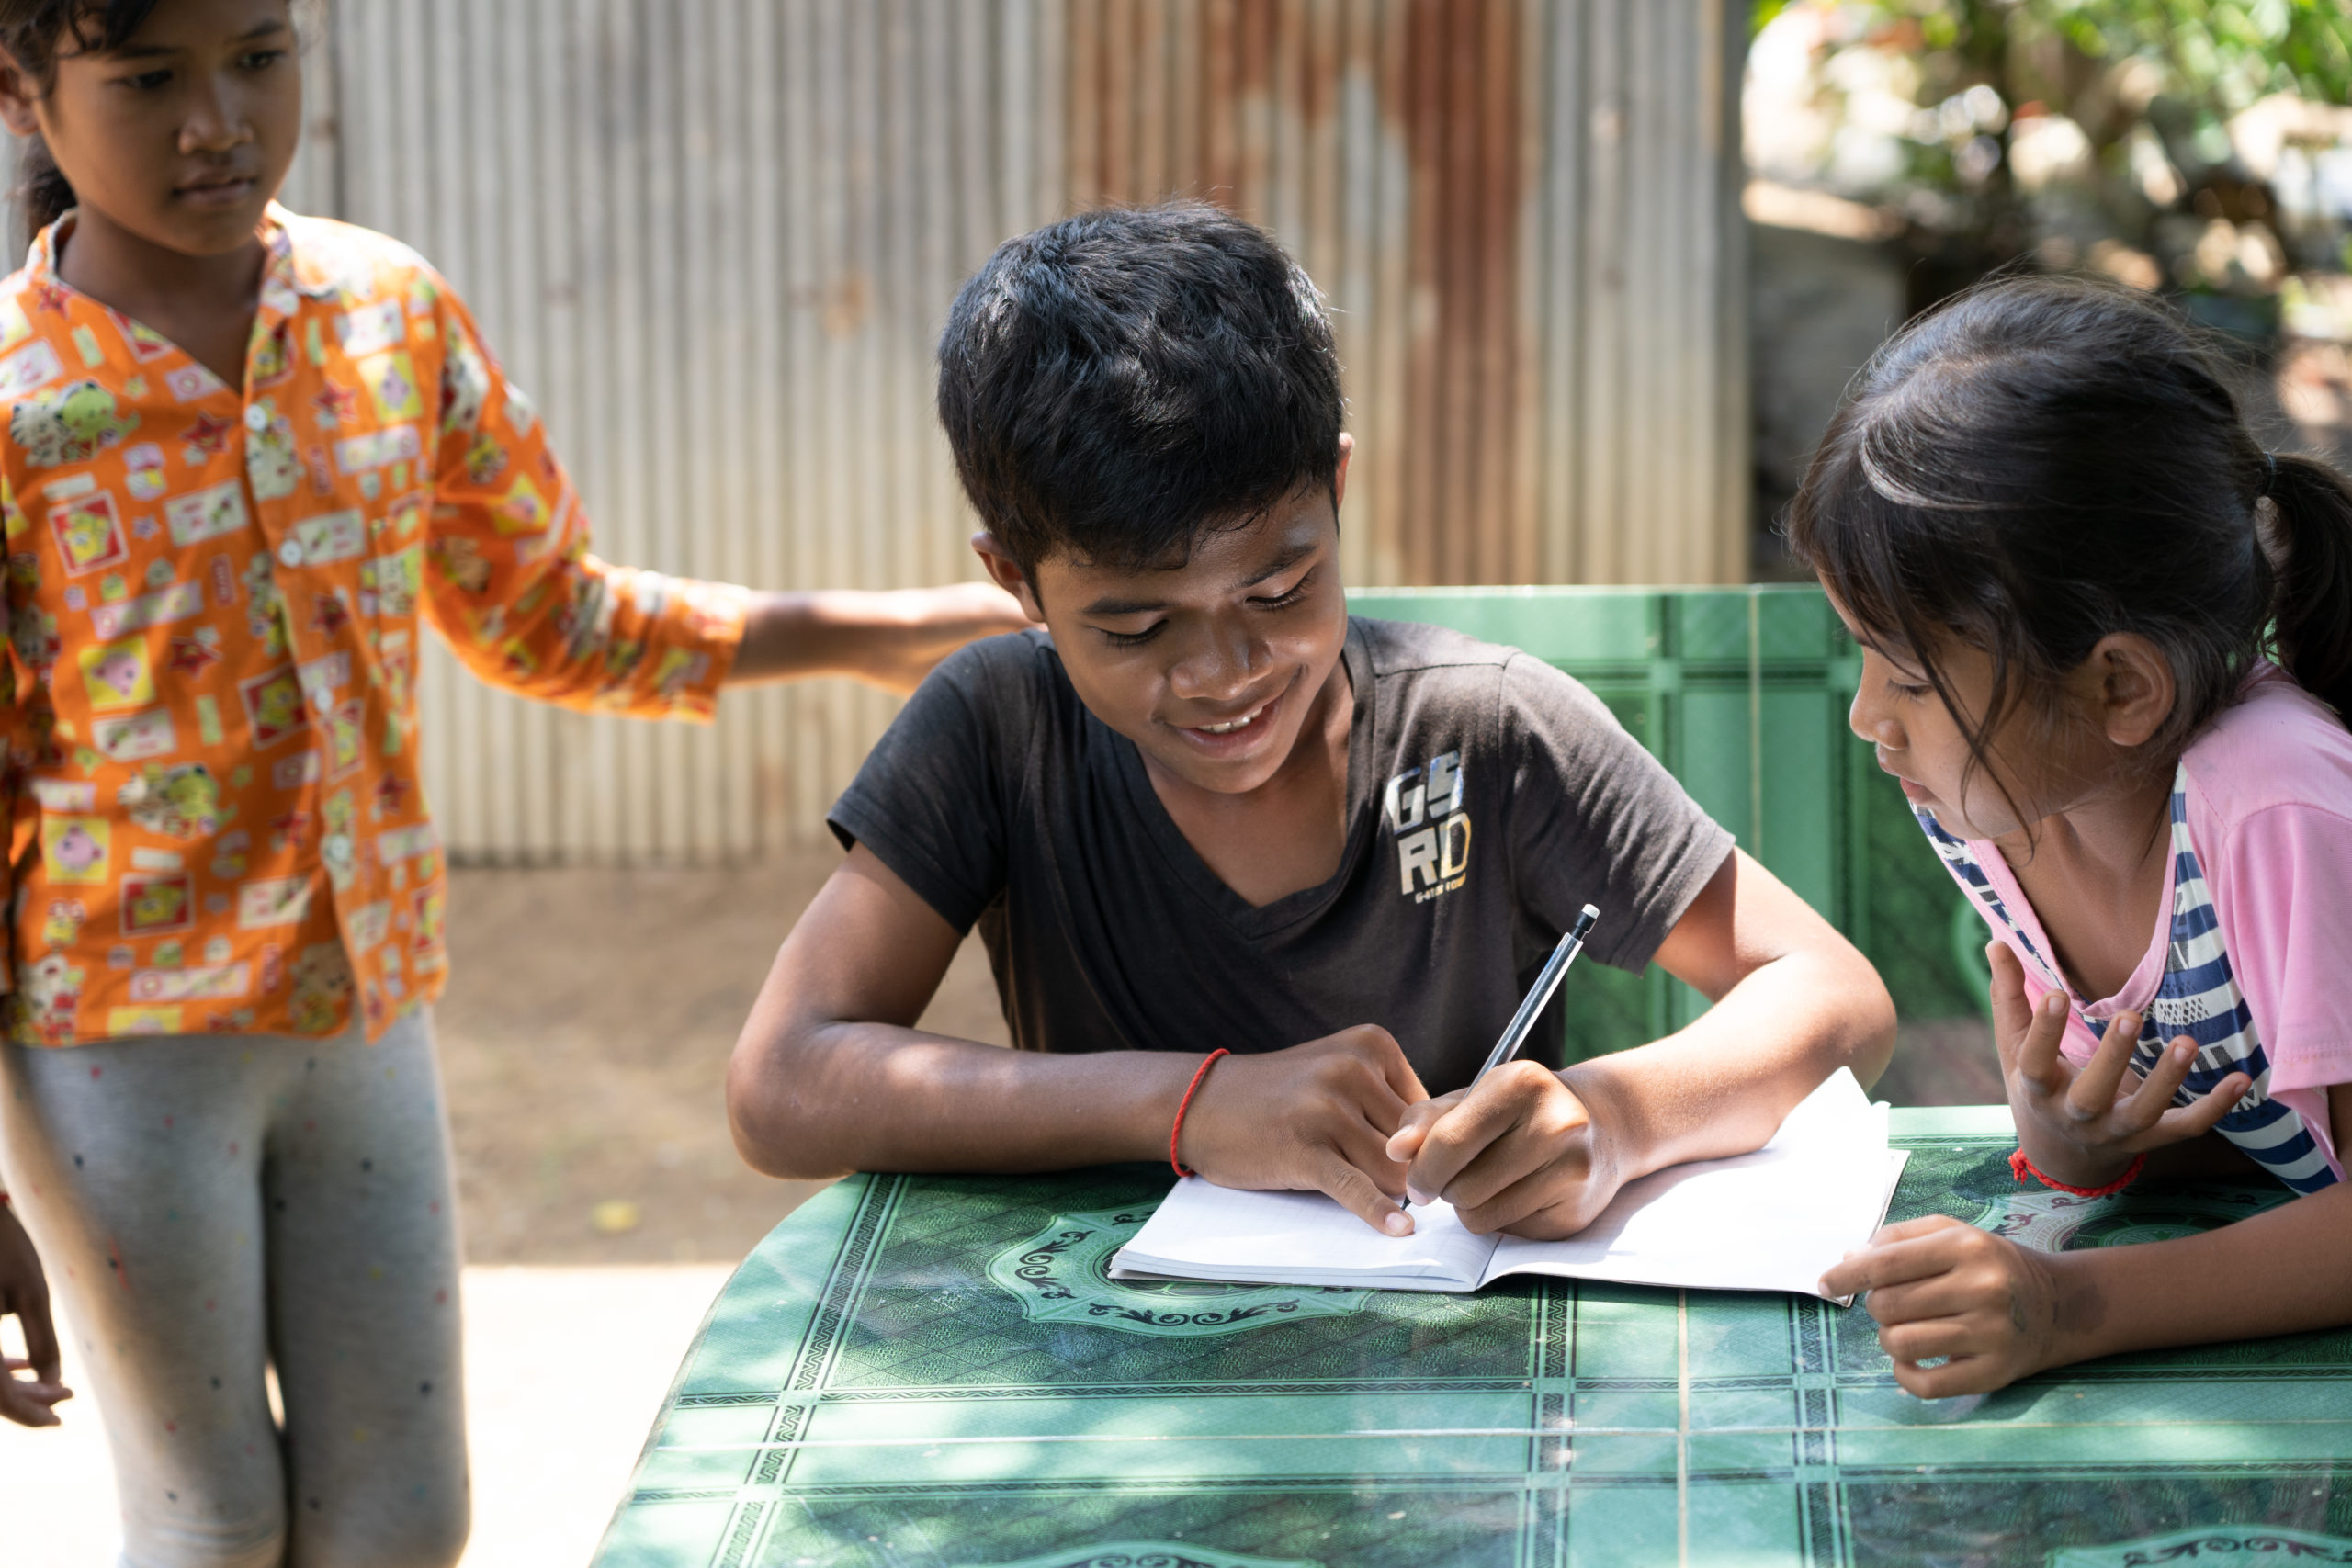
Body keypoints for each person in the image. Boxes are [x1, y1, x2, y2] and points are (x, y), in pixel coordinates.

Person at [0, 1, 1022, 1562]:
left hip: (368, 1014)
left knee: (407, 1517)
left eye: (260, 57)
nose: (217, 120)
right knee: (211, 1522)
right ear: (22, 88)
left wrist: (884, 635)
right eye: (147, 79)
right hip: (117, 1051)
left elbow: (554, 615)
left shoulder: (383, 314)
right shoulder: (13, 406)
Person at [725, 202, 1895, 1262]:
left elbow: (1834, 995)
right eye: (1133, 627)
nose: (1222, 675)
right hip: (1115, 1383)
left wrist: (1612, 1121)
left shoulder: (1482, 729)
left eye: (1278, 593)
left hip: (1451, 1380)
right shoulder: (996, 732)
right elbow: (781, 1084)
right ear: (1016, 580)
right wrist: (1191, 1105)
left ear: (1336, 492)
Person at [1804, 275, 2352, 1397]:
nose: (1868, 717)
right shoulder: (1990, 806)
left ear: (2117, 686)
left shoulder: (2271, 803)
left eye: (1908, 675)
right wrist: (2076, 1143)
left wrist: (2065, 1304)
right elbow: (2262, 1117)